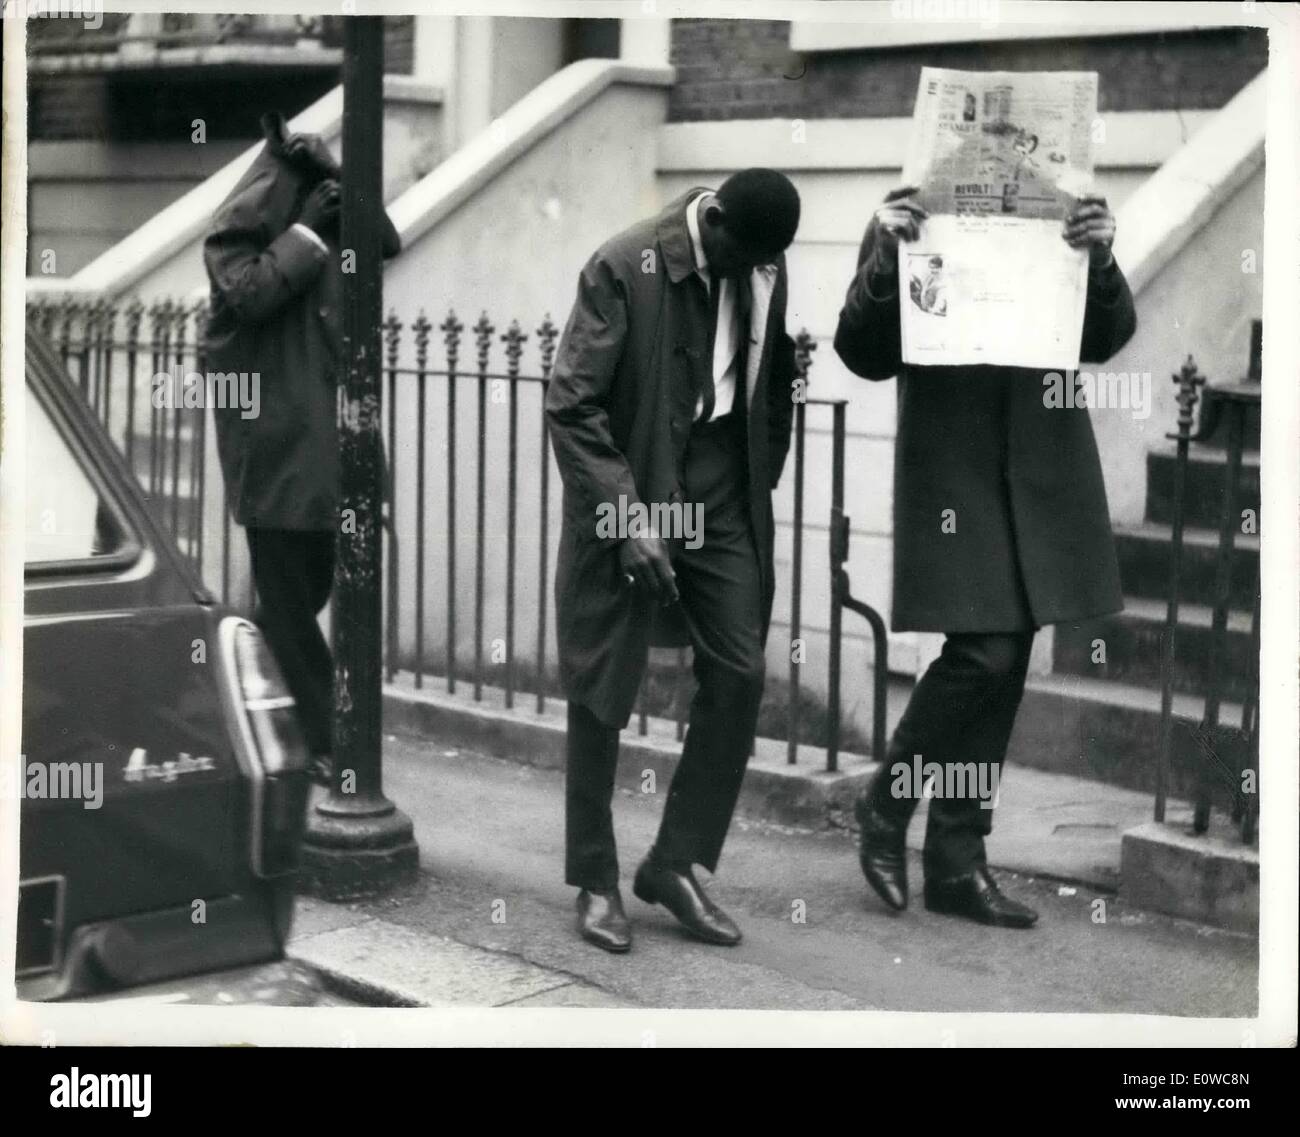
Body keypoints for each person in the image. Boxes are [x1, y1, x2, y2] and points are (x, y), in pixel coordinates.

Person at [833, 185, 1136, 927]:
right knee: (987, 653)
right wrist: (884, 247)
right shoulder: (913, 223)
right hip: (956, 467)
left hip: (1038, 464)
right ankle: (887, 801)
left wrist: (1098, 253)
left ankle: (956, 860)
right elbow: (860, 349)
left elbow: (1104, 337)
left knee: (1007, 658)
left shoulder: (1059, 228)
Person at [545, 169, 801, 951]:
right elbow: (572, 402)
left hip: (721, 490)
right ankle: (595, 876)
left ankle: (674, 860)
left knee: (740, 668)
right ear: (711, 219)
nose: (748, 275)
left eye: (763, 264)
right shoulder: (624, 266)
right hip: (637, 481)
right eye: (738, 259)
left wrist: (761, 472)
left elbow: (774, 378)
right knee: (602, 679)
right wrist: (628, 515)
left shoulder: (758, 257)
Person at [203, 112, 400, 784]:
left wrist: (343, 185)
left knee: (292, 600)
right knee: (288, 604)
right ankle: (329, 737)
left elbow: (387, 242)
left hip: (334, 454)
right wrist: (309, 230)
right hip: (278, 457)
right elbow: (247, 292)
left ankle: (236, 692)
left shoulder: (324, 220)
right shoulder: (249, 237)